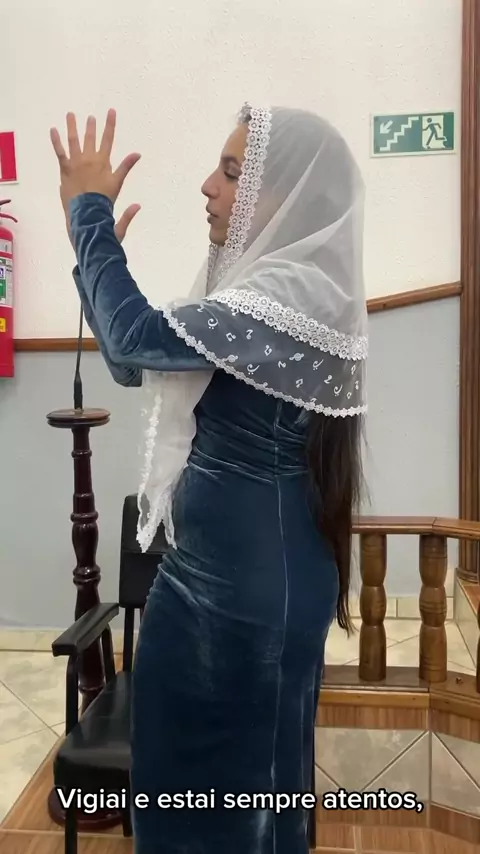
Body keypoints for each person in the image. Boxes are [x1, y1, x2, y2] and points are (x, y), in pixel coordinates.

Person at [50, 102, 368, 854]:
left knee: (220, 802)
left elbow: (133, 337)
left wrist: (88, 216)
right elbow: (133, 361)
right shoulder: (276, 294)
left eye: (231, 173)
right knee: (235, 790)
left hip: (239, 596)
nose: (208, 187)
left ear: (281, 196)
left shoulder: (291, 296)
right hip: (230, 581)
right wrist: (93, 260)